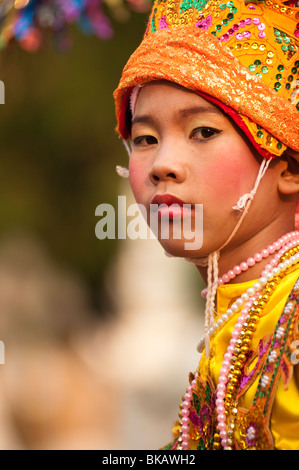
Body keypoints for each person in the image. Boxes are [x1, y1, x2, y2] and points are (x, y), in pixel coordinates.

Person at [113, 0, 299, 450]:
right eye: (145, 139)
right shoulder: (237, 320)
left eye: (202, 132)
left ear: (289, 167)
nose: (163, 165)